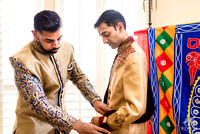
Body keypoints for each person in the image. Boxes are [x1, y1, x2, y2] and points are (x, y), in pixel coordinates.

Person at [9, 10, 111, 134]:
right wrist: (76, 125)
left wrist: (94, 99)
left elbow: (78, 76)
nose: (56, 45)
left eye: (59, 38)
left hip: (59, 130)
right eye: (49, 40)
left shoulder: (66, 48)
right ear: (35, 35)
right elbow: (38, 102)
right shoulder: (22, 61)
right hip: (33, 129)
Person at [91, 9, 154, 134]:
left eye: (106, 34)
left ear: (120, 27)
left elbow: (135, 107)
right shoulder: (123, 53)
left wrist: (103, 122)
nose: (104, 41)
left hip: (129, 129)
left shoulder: (133, 55)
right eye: (102, 36)